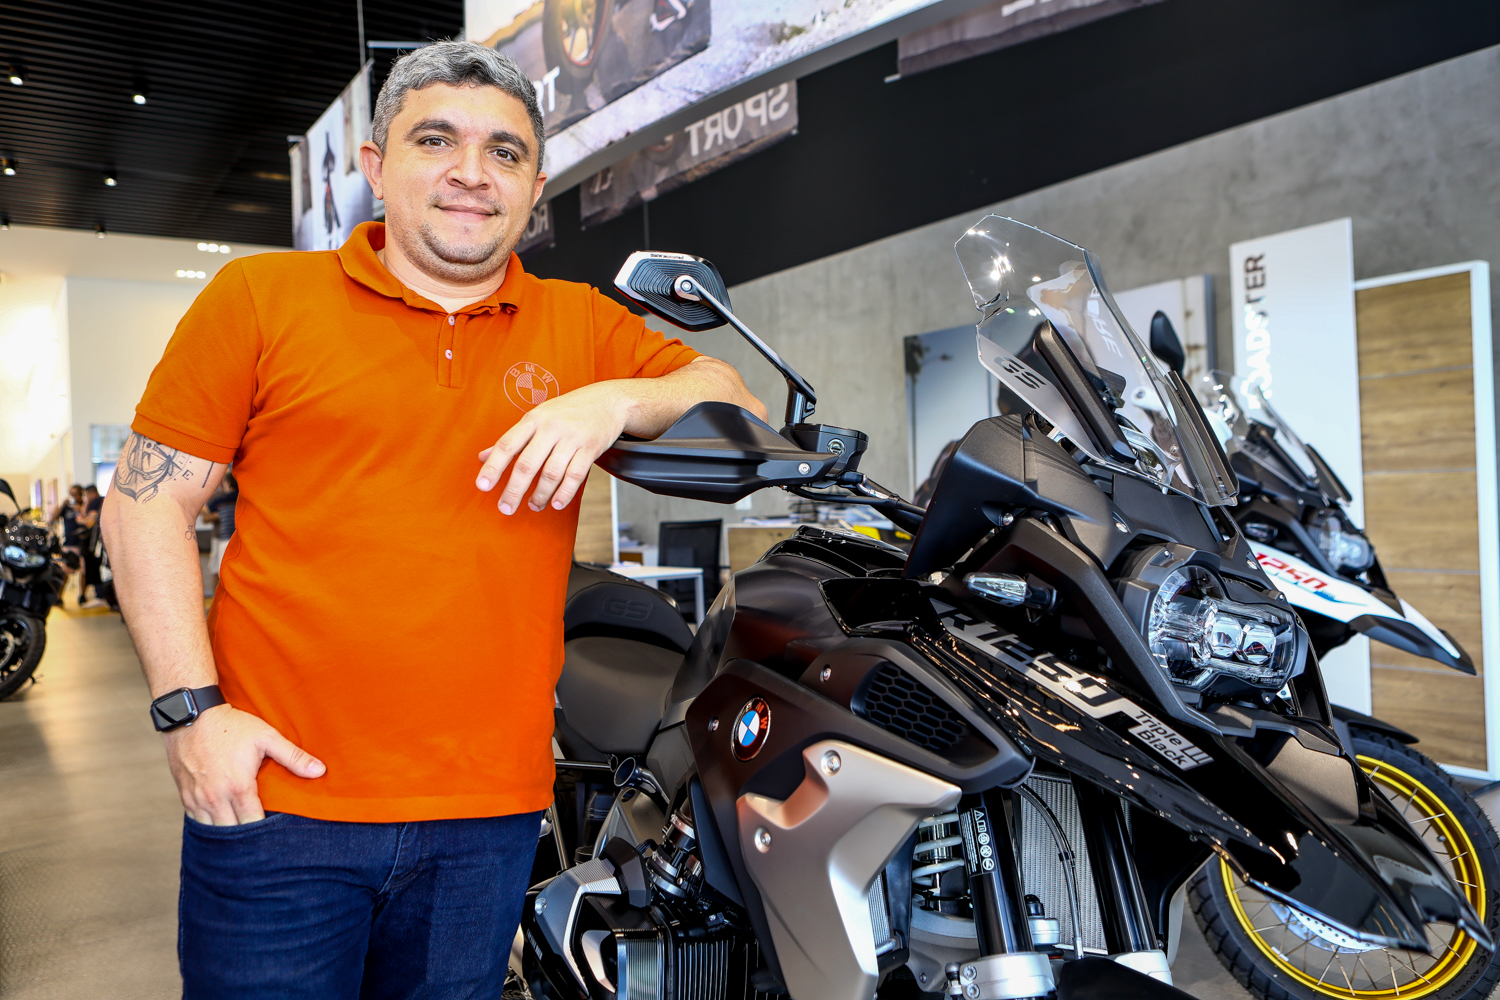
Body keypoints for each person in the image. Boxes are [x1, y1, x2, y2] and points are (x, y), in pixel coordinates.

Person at [101, 40, 764, 1000]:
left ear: (535, 188)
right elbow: (143, 503)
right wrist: (190, 719)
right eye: (436, 140)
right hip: (276, 807)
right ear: (376, 167)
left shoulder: (579, 326)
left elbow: (731, 395)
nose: (471, 172)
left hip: (487, 823)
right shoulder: (259, 299)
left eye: (505, 152)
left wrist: (612, 399)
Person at [202, 472, 238, 593]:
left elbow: (205, 512)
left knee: (222, 571)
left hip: (225, 539)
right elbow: (206, 518)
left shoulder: (221, 500)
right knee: (223, 570)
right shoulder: (241, 497)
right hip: (232, 538)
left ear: (227, 483)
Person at [48, 484, 85, 600]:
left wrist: (80, 509)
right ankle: (59, 597)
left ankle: (82, 596)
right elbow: (52, 519)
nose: (74, 496)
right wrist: (62, 505)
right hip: (68, 544)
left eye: (76, 494)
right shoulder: (66, 507)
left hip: (82, 543)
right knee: (65, 573)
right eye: (72, 494)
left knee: (83, 572)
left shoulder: (84, 506)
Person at [79, 484, 107, 608]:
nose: (84, 498)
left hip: (98, 542)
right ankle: (99, 595)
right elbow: (85, 515)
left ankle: (100, 596)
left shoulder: (97, 501)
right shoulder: (94, 502)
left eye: (85, 495)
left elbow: (89, 522)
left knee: (95, 567)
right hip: (97, 541)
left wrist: (81, 520)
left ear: (91, 494)